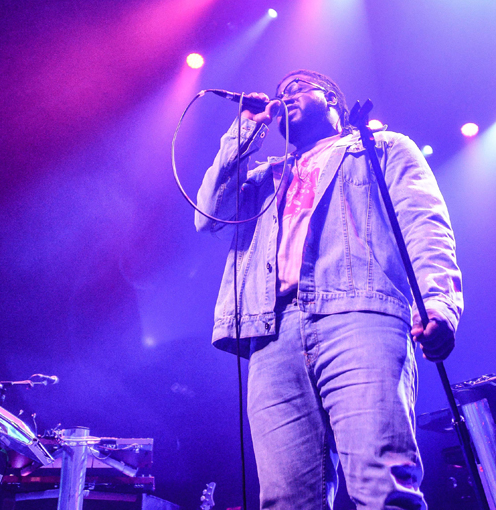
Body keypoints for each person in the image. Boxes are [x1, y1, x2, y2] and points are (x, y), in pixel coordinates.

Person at [195, 70, 463, 509]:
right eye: (280, 92)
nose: (286, 96)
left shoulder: (382, 147)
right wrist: (245, 130)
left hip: (359, 315)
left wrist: (438, 304)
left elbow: (425, 223)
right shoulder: (264, 177)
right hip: (272, 333)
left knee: (381, 485)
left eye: (298, 87)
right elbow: (207, 215)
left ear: (332, 99)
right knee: (285, 501)